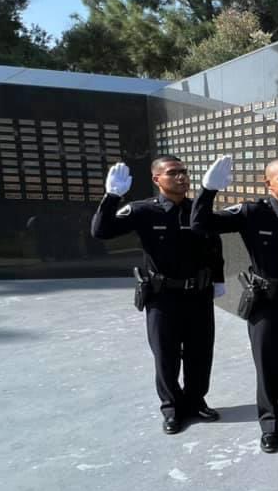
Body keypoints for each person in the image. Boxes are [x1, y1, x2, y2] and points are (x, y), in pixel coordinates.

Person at [191, 156, 278, 454]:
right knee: (268, 366)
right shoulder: (252, 212)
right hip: (266, 304)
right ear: (268, 183)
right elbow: (200, 223)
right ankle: (270, 424)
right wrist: (207, 190)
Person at [91, 157, 224, 434]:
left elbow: (213, 245)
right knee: (166, 356)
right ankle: (173, 408)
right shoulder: (143, 211)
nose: (182, 178)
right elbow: (101, 231)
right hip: (163, 297)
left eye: (184, 173)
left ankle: (196, 401)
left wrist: (219, 280)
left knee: (200, 354)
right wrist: (111, 197)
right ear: (157, 179)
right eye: (173, 173)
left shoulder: (196, 210)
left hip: (198, 295)